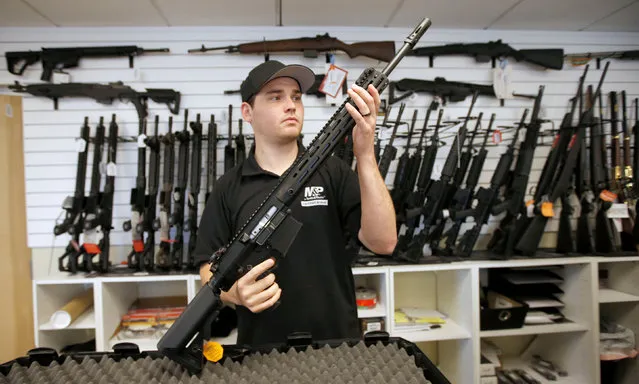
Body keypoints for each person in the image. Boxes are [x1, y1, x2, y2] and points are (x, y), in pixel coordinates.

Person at [193, 60, 397, 346]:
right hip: (261, 351)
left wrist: (365, 154)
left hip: (337, 345)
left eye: (296, 97)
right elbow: (207, 271)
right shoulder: (229, 188)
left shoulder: (334, 171)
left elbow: (384, 242)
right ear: (247, 112)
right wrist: (236, 293)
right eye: (276, 96)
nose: (291, 105)